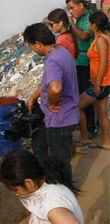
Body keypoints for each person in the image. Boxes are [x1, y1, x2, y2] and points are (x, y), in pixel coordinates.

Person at [24, 23, 79, 180]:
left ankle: (64, 193)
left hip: (60, 119)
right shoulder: (61, 51)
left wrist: (50, 103)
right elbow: (49, 83)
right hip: (68, 115)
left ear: (38, 44)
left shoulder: (52, 61)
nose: (32, 49)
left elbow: (55, 88)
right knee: (55, 153)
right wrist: (35, 96)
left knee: (60, 162)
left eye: (31, 46)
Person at [0, 149, 90, 224]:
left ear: (29, 183)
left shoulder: (53, 208)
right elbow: (40, 215)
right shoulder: (46, 181)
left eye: (15, 189)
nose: (15, 194)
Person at [66, 0, 98, 139]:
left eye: (72, 8)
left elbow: (84, 36)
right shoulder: (79, 19)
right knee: (79, 93)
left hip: (86, 64)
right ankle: (85, 124)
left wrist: (72, 24)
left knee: (86, 96)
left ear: (81, 5)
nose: (71, 11)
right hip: (78, 62)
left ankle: (91, 127)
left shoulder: (87, 19)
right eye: (69, 9)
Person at [78, 11, 110, 149]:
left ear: (95, 25)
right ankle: (105, 141)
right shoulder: (103, 38)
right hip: (104, 82)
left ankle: (84, 137)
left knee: (76, 105)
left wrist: (97, 84)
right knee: (102, 112)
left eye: (90, 23)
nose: (88, 26)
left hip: (101, 84)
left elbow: (103, 63)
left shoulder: (102, 40)